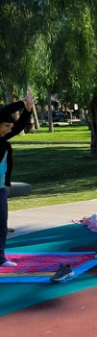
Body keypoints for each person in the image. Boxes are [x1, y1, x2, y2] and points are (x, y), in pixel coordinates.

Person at [0, 91, 34, 268]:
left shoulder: (3, 139)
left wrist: (28, 110)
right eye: (5, 125)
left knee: (1, 225)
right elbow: (3, 111)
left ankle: (0, 258)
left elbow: (19, 125)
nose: (8, 129)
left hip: (0, 190)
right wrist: (22, 103)